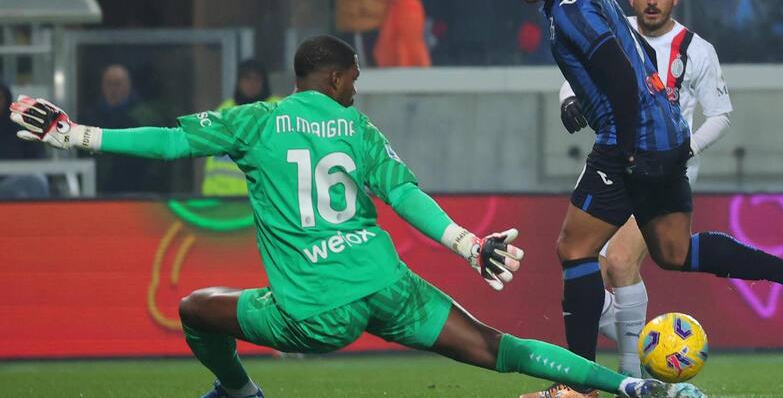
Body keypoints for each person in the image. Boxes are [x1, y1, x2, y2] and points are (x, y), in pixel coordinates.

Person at [9, 35, 706, 398]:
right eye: (354, 80)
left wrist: (77, 134)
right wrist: (468, 245)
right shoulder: (357, 129)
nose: (355, 90)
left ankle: (238, 390)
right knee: (501, 348)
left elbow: (167, 142)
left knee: (196, 308)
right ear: (336, 78)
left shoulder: (254, 121)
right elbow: (404, 196)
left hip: (315, 311)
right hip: (386, 286)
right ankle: (634, 386)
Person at [498, 0, 783, 398]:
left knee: (574, 249)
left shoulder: (571, 4)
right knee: (674, 252)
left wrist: (627, 149)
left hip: (631, 139)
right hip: (665, 134)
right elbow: (633, 49)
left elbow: (619, 72)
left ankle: (579, 386)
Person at [554, 0, 732, 383]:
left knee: (619, 260)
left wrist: (683, 152)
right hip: (614, 158)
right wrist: (568, 100)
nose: (653, 0)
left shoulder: (697, 50)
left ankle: (631, 373)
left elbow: (721, 115)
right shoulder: (614, 30)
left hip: (664, 171)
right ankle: (641, 362)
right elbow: (574, 75)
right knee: (582, 272)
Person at [81, 63, 163, 194]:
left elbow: (155, 159)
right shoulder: (90, 118)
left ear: (128, 85)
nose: (114, 89)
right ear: (102, 86)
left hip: (138, 191)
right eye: (109, 83)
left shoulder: (144, 119)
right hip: (99, 192)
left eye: (118, 84)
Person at [202, 59, 280, 196]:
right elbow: (213, 161)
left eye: (256, 79)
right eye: (246, 78)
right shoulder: (224, 111)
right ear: (238, 82)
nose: (251, 84)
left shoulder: (278, 110)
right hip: (224, 200)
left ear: (264, 82)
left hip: (264, 199)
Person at [0, 81, 48, 198]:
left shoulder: (22, 130)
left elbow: (39, 162)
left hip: (18, 192)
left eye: (0, 98)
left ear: (6, 100)